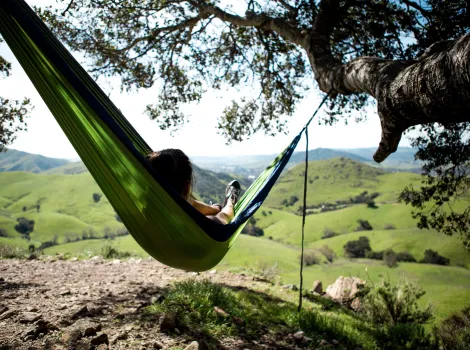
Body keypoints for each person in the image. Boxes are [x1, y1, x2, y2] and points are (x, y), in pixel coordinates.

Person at [146, 149, 241, 225]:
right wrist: (228, 205)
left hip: (153, 242)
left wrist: (215, 208)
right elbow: (225, 216)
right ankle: (231, 199)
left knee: (183, 201)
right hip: (191, 243)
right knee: (226, 212)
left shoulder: (144, 211)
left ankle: (215, 208)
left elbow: (192, 204)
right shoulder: (206, 225)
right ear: (187, 186)